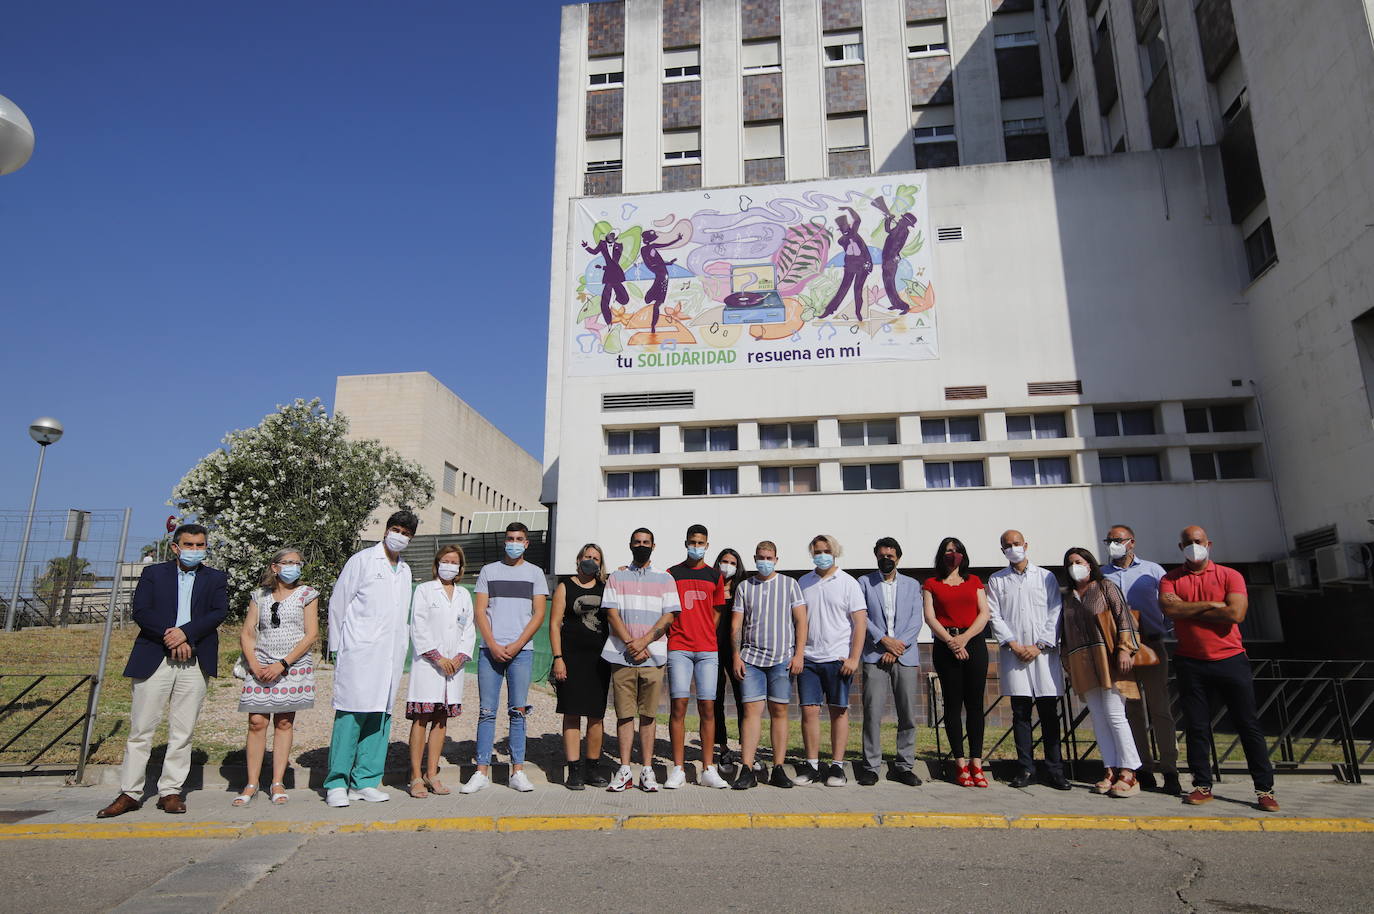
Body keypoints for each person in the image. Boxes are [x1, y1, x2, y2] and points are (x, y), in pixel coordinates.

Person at [98, 524, 228, 818]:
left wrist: (186, 635)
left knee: (183, 730)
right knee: (141, 729)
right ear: (175, 546)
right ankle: (130, 792)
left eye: (200, 545)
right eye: (189, 544)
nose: (195, 550)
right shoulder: (154, 574)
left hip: (194, 658)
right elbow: (141, 611)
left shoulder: (216, 578)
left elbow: (218, 612)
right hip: (155, 655)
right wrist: (170, 636)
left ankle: (171, 791)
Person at [1160, 525, 1278, 812]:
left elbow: (1236, 613)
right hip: (1190, 661)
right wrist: (1214, 604)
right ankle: (1202, 785)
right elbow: (1171, 610)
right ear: (1180, 548)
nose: (1193, 546)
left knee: (1247, 725)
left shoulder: (1230, 575)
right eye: (1188, 542)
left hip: (1230, 659)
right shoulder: (1170, 579)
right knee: (1197, 727)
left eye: (1198, 541)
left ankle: (1264, 789)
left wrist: (1191, 606)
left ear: (1208, 544)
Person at [322, 511, 417, 808]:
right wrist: (337, 647)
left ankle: (365, 780)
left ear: (411, 539)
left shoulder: (405, 570)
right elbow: (339, 604)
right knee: (350, 715)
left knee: (380, 716)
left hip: (389, 656)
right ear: (387, 530)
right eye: (396, 529)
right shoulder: (362, 561)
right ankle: (337, 782)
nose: (399, 535)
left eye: (406, 533)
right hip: (359, 652)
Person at [464, 522, 549, 794]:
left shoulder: (535, 573)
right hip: (490, 651)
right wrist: (491, 643)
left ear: (526, 543)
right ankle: (481, 771)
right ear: (504, 541)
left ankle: (518, 771)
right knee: (486, 712)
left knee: (518, 712)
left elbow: (538, 614)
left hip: (521, 652)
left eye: (520, 538)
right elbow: (480, 611)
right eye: (510, 538)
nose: (514, 542)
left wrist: (517, 644)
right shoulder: (489, 571)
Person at [233, 547, 319, 807]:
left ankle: (278, 781)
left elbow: (311, 634)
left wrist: (283, 664)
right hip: (260, 664)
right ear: (275, 567)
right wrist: (254, 663)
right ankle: (251, 782)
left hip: (291, 666)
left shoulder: (307, 594)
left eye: (298, 562)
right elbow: (248, 632)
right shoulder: (259, 596)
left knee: (284, 722)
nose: (294, 566)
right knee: (256, 722)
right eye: (288, 562)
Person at [986, 529, 1069, 790]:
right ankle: (1026, 768)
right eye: (1007, 545)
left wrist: (1039, 644)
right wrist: (1013, 643)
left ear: (1026, 545)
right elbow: (994, 615)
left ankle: (1055, 769)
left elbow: (1056, 610)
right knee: (1020, 713)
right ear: (1002, 551)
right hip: (1014, 653)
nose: (1013, 548)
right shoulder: (997, 580)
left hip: (1043, 654)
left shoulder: (1046, 577)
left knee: (1048, 714)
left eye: (1016, 543)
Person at [1101, 524, 1180, 795]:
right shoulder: (1103, 575)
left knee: (1160, 709)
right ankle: (1142, 767)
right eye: (1109, 540)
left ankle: (1170, 768)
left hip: (1151, 645)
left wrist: (1160, 632)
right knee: (1132, 711)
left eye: (1118, 540)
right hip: (1119, 651)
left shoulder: (1153, 570)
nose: (1113, 544)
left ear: (1131, 542)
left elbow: (1168, 605)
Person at [601, 527, 679, 792]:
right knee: (624, 715)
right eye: (637, 542)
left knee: (648, 715)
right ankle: (624, 770)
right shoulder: (617, 576)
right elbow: (611, 613)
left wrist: (644, 642)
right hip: (622, 656)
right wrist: (630, 643)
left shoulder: (665, 579)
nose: (641, 545)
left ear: (653, 546)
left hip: (653, 656)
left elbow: (669, 616)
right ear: (630, 545)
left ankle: (646, 769)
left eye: (646, 542)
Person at [1061, 547, 1143, 798]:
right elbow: (1064, 633)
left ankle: (1129, 771)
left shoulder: (1105, 587)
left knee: (1115, 714)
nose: (1075, 566)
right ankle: (1109, 768)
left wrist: (1125, 649)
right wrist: (1067, 663)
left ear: (1090, 564)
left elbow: (1124, 619)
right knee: (1097, 716)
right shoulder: (1069, 596)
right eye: (1070, 563)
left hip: (1107, 657)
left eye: (1079, 561)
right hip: (1082, 660)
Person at [730, 541, 807, 790]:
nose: (765, 561)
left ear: (776, 559)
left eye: (769, 557)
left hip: (782, 659)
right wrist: (735, 655)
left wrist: (799, 654)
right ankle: (747, 768)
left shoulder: (790, 585)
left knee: (779, 712)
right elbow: (736, 625)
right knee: (751, 714)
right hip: (751, 659)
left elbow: (801, 621)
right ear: (755, 558)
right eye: (761, 557)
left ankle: (778, 768)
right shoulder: (745, 587)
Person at [792, 534, 866, 787]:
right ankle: (812, 764)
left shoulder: (848, 583)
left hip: (838, 659)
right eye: (816, 551)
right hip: (809, 660)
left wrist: (854, 658)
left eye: (825, 550)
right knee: (809, 711)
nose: (821, 555)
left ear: (835, 551)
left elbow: (860, 623)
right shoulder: (803, 582)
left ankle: (837, 766)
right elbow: (797, 621)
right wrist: (798, 653)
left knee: (838, 711)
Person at [405, 545, 475, 799]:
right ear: (437, 563)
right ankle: (415, 776)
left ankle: (432, 773)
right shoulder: (424, 590)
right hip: (429, 666)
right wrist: (437, 657)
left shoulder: (464, 595)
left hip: (453, 668)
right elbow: (418, 626)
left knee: (441, 720)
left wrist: (458, 658)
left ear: (460, 567)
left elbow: (469, 629)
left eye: (454, 561)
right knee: (421, 719)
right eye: (445, 560)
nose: (450, 565)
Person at [922, 536, 990, 788]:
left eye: (956, 551)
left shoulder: (973, 581)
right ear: (941, 555)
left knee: (974, 705)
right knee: (952, 704)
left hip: (973, 643)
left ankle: (977, 763)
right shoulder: (931, 583)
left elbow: (984, 613)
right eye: (948, 551)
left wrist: (964, 638)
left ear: (963, 554)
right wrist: (951, 642)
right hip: (945, 645)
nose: (952, 555)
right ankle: (960, 764)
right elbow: (930, 617)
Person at [666, 525, 731, 789]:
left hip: (707, 650)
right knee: (678, 706)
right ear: (685, 543)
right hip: (679, 647)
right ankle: (678, 768)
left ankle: (708, 768)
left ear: (707, 544)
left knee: (707, 707)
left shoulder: (714, 576)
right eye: (692, 541)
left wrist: (704, 632)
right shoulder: (672, 573)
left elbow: (717, 612)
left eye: (701, 542)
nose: (696, 546)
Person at [857, 537, 924, 787]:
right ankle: (870, 766)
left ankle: (904, 766)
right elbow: (861, 616)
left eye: (891, 555)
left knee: (907, 713)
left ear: (898, 557)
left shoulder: (912, 584)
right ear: (876, 555)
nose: (887, 559)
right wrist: (884, 640)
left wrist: (897, 648)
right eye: (882, 555)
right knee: (872, 712)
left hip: (905, 656)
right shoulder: (864, 582)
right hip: (875, 655)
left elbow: (916, 621)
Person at [550, 543, 612, 790]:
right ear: (578, 559)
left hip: (599, 660)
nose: (591, 561)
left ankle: (592, 768)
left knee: (596, 716)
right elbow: (555, 624)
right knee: (572, 713)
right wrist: (558, 658)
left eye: (596, 558)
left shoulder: (606, 588)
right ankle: (574, 770)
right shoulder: (566, 586)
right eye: (587, 556)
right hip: (571, 659)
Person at [711, 547, 748, 767]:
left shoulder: (742, 589)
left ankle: (747, 748)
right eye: (724, 561)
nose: (728, 565)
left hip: (737, 652)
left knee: (744, 699)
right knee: (715, 700)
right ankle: (722, 748)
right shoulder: (710, 588)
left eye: (732, 562)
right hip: (711, 649)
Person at [819, 206, 872, 320]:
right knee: (842, 290)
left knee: (857, 290)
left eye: (846, 228)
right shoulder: (842, 240)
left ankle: (858, 312)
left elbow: (858, 220)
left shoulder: (854, 234)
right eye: (843, 229)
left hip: (862, 267)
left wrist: (849, 209)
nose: (845, 231)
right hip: (850, 267)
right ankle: (829, 310)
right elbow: (842, 242)